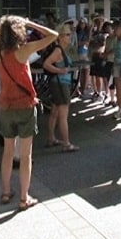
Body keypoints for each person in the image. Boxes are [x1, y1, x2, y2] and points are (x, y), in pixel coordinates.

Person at [0, 16, 58, 211]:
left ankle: (6, 192)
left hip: (5, 106)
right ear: (18, 32)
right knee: (25, 155)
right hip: (25, 106)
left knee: (7, 152)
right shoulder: (24, 51)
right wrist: (28, 23)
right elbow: (53, 35)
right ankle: (24, 197)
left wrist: (5, 23)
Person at [43, 23, 79, 152]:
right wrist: (60, 70)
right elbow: (46, 64)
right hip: (60, 83)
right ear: (61, 36)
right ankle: (66, 143)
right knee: (63, 115)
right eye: (68, 35)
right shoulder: (58, 50)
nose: (70, 37)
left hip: (57, 83)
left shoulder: (61, 49)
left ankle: (51, 138)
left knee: (54, 112)